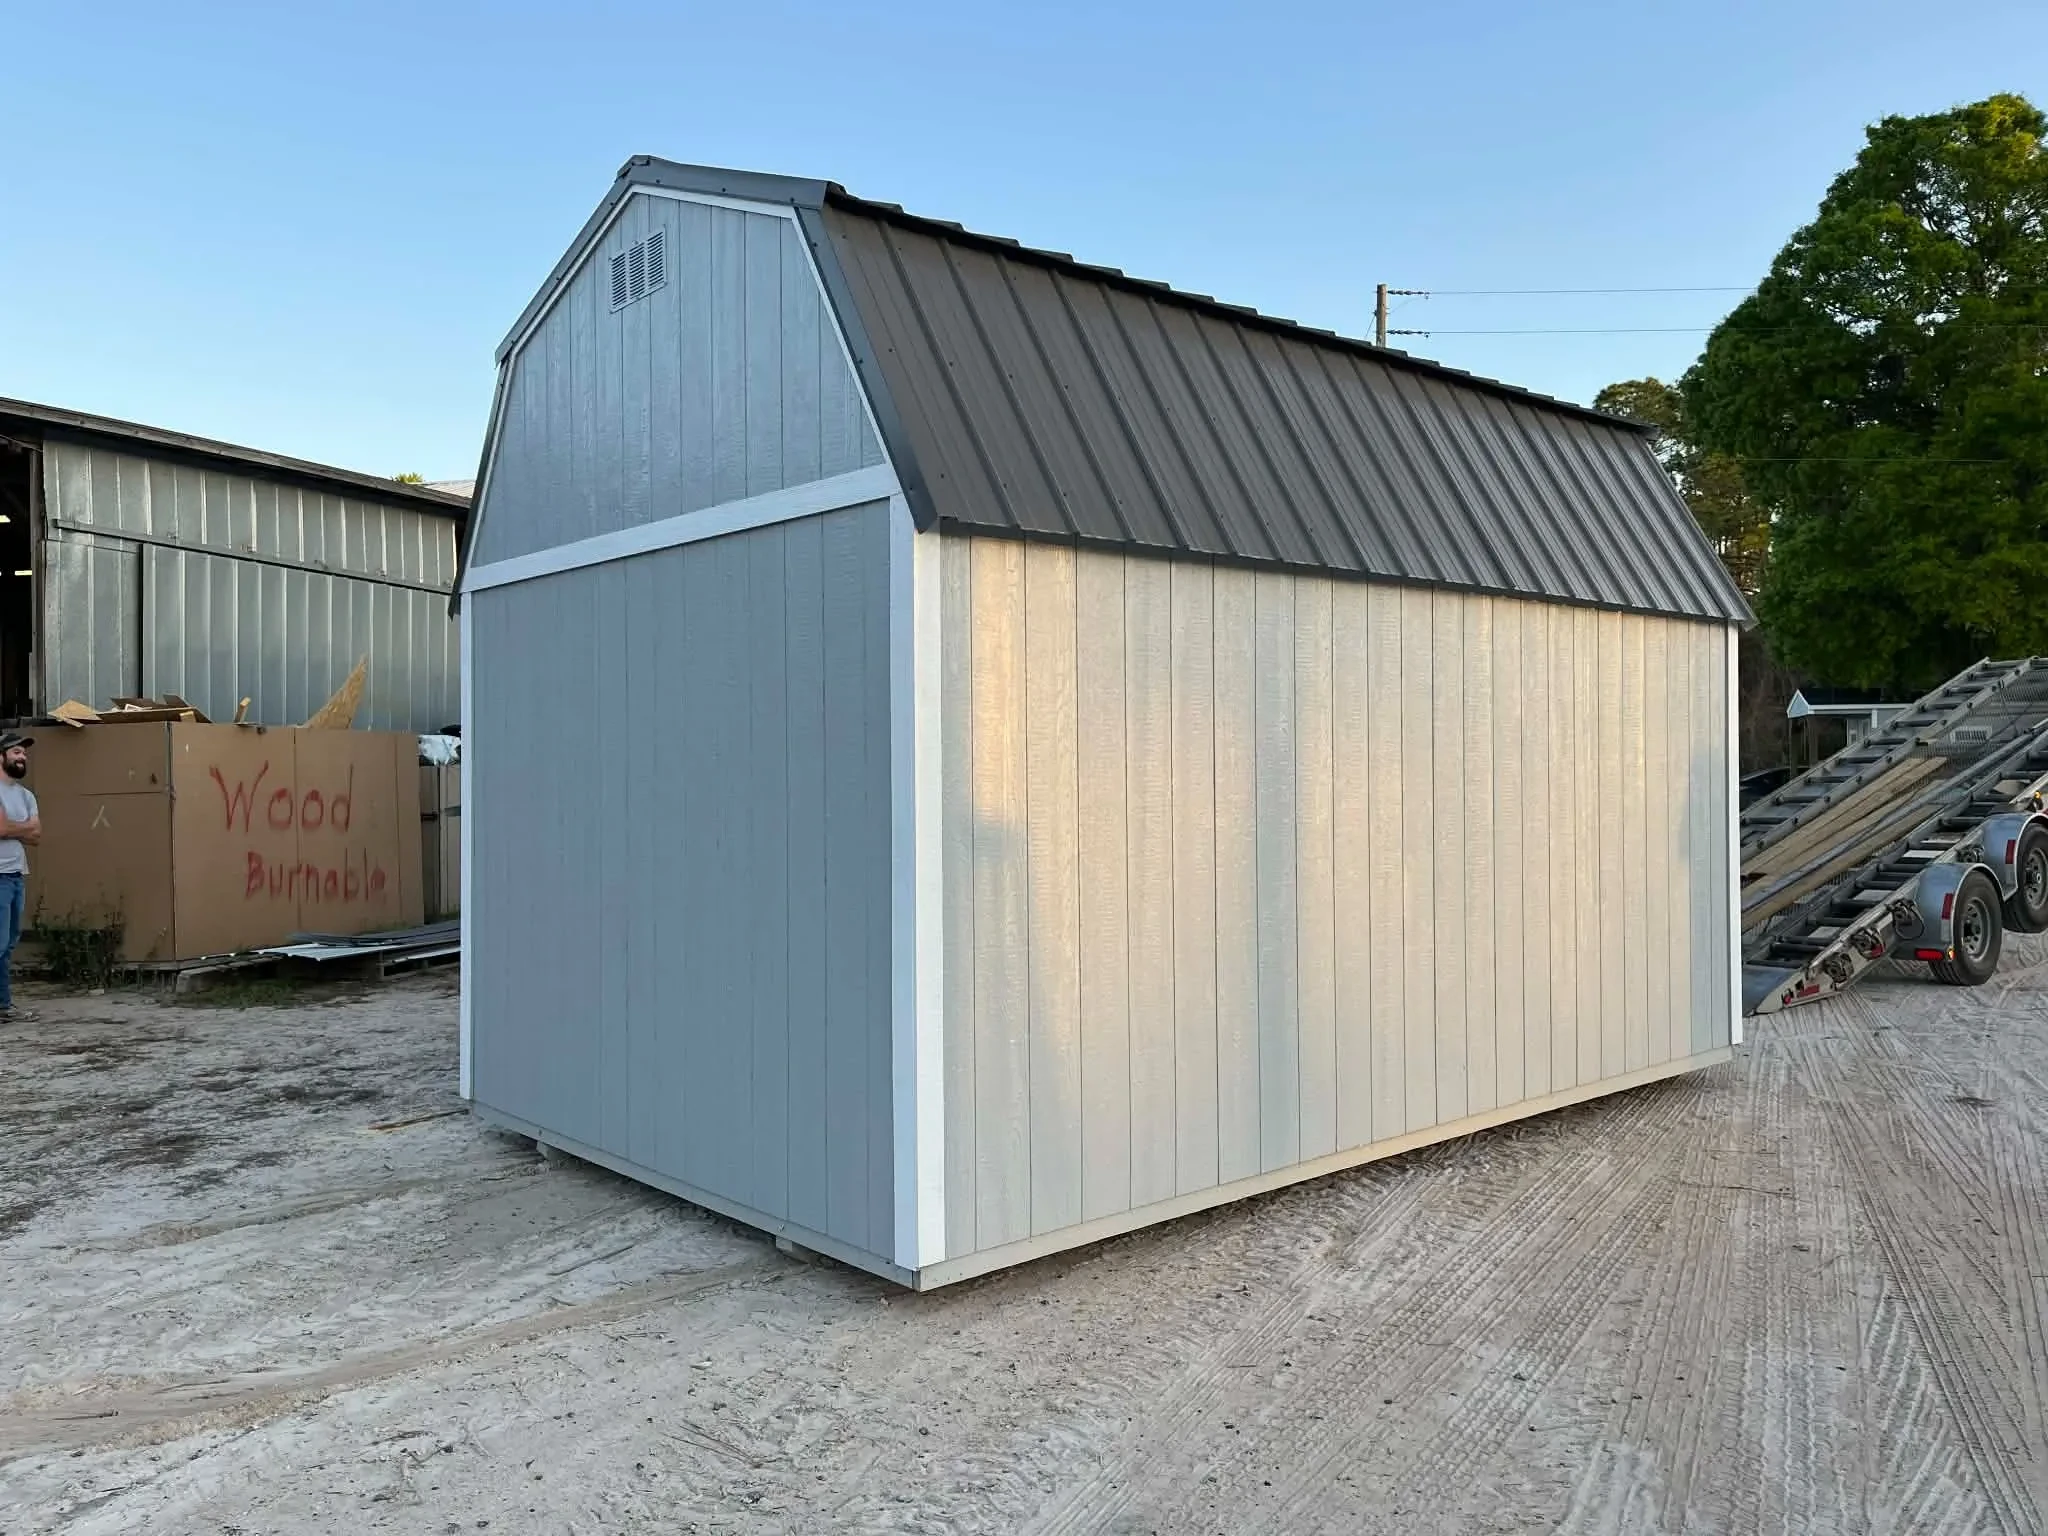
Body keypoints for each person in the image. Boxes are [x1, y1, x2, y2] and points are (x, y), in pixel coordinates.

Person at [0, 731, 40, 1024]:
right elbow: (1, 831)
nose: (22, 757)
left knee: (10, 942)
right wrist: (21, 827)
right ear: (1, 757)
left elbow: (37, 835)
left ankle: (3, 1006)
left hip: (16, 875)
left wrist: (15, 827)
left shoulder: (26, 795)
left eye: (23, 753)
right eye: (16, 752)